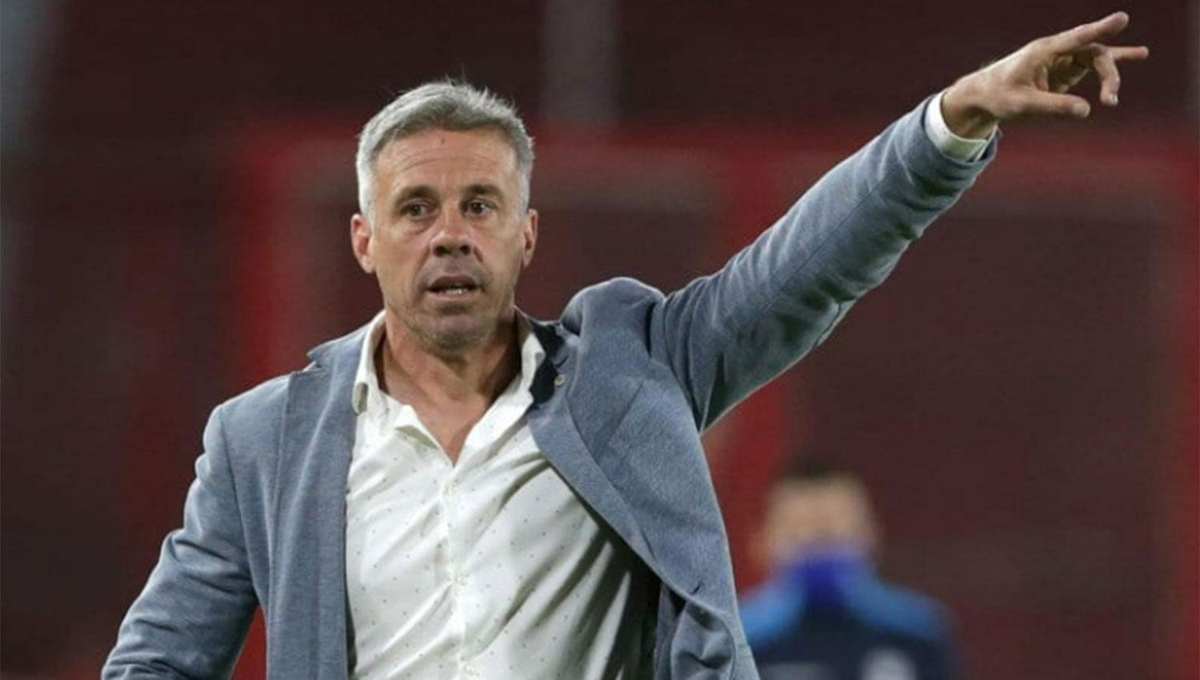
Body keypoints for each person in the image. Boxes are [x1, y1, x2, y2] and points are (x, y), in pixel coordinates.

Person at [104, 13, 1147, 680]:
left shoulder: (630, 367)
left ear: (526, 234)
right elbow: (157, 660)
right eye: (416, 208)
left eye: (480, 204)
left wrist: (952, 119)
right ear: (364, 239)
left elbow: (804, 268)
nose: (450, 233)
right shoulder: (265, 440)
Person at [741, 459, 960, 680]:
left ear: (871, 534)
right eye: (798, 531)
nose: (819, 550)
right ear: (761, 541)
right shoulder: (738, 640)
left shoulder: (918, 634)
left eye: (833, 532)